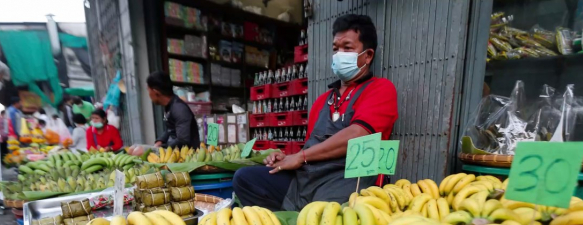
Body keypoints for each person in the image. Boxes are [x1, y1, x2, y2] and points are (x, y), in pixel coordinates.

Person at [233, 14, 398, 211]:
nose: (339, 55)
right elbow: (313, 148)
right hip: (306, 180)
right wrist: (286, 157)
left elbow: (357, 136)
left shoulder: (381, 89)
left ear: (368, 55)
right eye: (336, 49)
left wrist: (300, 156)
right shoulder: (323, 100)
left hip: (348, 182)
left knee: (322, 210)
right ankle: (285, 222)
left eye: (347, 48)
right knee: (245, 178)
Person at [146, 71, 200, 148]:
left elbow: (183, 140)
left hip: (185, 155)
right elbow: (170, 129)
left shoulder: (179, 109)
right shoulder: (169, 106)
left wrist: (161, 148)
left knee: (139, 150)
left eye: (148, 90)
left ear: (155, 92)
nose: (149, 95)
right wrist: (160, 141)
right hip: (173, 150)